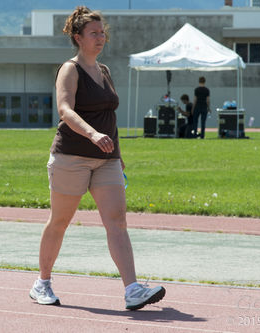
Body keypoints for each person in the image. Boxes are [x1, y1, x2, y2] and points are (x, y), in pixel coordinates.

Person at [29, 6, 165, 311]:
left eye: (102, 32)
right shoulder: (70, 69)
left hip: (106, 160)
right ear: (78, 37)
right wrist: (92, 135)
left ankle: (132, 289)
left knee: (116, 220)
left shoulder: (104, 71)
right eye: (94, 33)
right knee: (60, 221)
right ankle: (42, 283)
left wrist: (117, 153)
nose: (100, 37)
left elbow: (108, 116)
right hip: (71, 157)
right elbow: (65, 110)